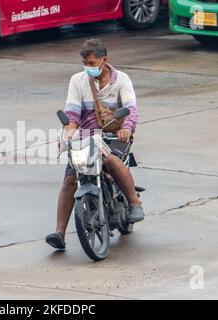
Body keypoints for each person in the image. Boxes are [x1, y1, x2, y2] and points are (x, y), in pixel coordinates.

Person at [45, 38, 144, 250]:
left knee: (111, 161)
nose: (88, 67)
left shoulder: (122, 80)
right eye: (85, 63)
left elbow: (131, 109)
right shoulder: (77, 81)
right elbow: (72, 113)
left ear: (103, 60)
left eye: (91, 63)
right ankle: (59, 233)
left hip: (114, 135)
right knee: (70, 179)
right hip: (86, 137)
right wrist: (69, 131)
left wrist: (126, 128)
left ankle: (134, 203)